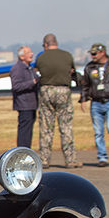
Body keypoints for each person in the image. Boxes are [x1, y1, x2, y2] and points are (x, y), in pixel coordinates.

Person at [35, 34, 81, 168]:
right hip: (63, 91)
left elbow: (38, 71)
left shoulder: (41, 57)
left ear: (45, 44)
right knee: (66, 126)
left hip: (46, 91)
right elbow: (72, 71)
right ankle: (70, 159)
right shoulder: (67, 55)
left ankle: (44, 159)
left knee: (46, 127)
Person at [79, 43, 109, 167]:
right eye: (91, 54)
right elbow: (86, 85)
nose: (92, 56)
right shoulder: (89, 67)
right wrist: (83, 99)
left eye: (94, 53)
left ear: (102, 53)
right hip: (96, 102)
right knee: (98, 132)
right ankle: (102, 157)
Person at [9, 46, 38, 148]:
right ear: (22, 56)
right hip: (24, 105)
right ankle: (22, 151)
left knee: (29, 131)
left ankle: (27, 151)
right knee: (24, 131)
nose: (31, 54)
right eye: (28, 52)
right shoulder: (17, 69)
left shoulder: (30, 68)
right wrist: (32, 82)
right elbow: (16, 86)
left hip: (31, 104)